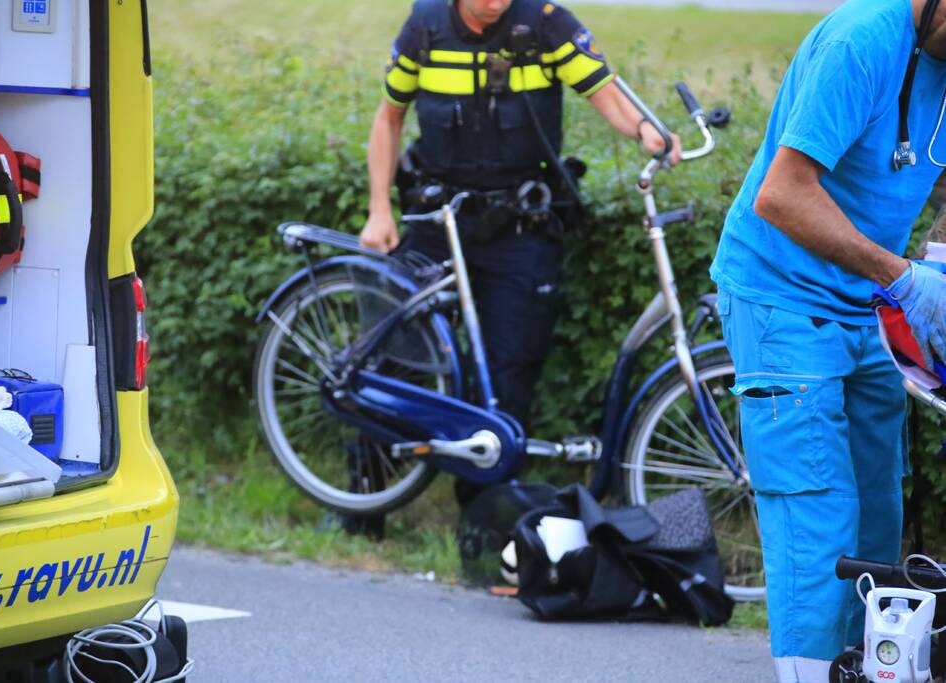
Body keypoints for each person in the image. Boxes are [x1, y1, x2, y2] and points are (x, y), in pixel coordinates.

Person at [709, 0, 946, 680]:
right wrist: (902, 276)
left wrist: (933, 271)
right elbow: (780, 195)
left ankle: (862, 667)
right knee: (818, 512)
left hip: (871, 301)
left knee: (877, 509)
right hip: (780, 294)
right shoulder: (858, 43)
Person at [361, 0, 681, 430]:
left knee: (510, 369)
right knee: (395, 356)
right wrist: (379, 209)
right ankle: (371, 479)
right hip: (439, 222)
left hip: (520, 229)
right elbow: (388, 118)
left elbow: (606, 91)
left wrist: (648, 129)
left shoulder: (547, 22)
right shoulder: (426, 25)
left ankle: (485, 491)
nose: (497, 2)